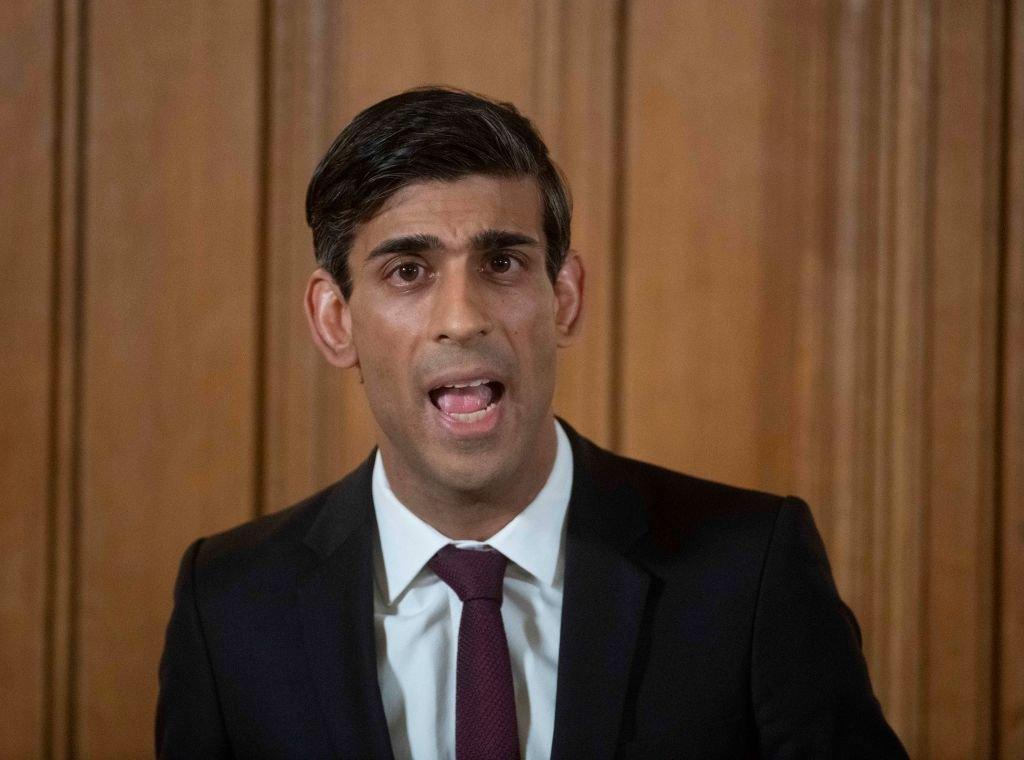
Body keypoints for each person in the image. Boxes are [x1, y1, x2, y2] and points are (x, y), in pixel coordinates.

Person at [156, 87, 907, 759]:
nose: (462, 317)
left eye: (503, 264)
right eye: (408, 271)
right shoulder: (228, 605)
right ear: (334, 319)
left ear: (566, 297)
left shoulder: (751, 572)